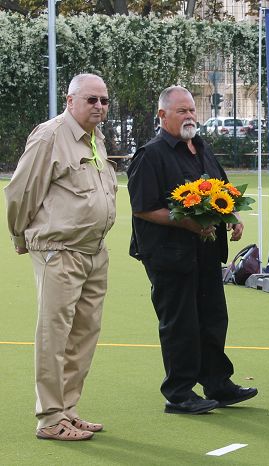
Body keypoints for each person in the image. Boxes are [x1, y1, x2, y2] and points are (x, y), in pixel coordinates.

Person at [127, 86, 257, 414]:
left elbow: (223, 190)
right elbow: (143, 208)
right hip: (169, 255)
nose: (189, 116)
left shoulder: (201, 148)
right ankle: (179, 393)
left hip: (206, 252)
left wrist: (232, 216)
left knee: (213, 318)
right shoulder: (150, 155)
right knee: (180, 324)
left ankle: (217, 383)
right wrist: (186, 223)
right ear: (162, 115)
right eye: (182, 111)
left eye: (191, 110)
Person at [5, 73, 117, 440]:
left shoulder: (95, 137)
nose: (99, 106)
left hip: (93, 251)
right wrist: (19, 235)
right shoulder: (50, 136)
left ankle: (68, 410)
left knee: (83, 335)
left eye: (104, 100)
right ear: (70, 101)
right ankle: (50, 418)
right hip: (60, 250)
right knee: (54, 335)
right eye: (91, 100)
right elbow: (21, 192)